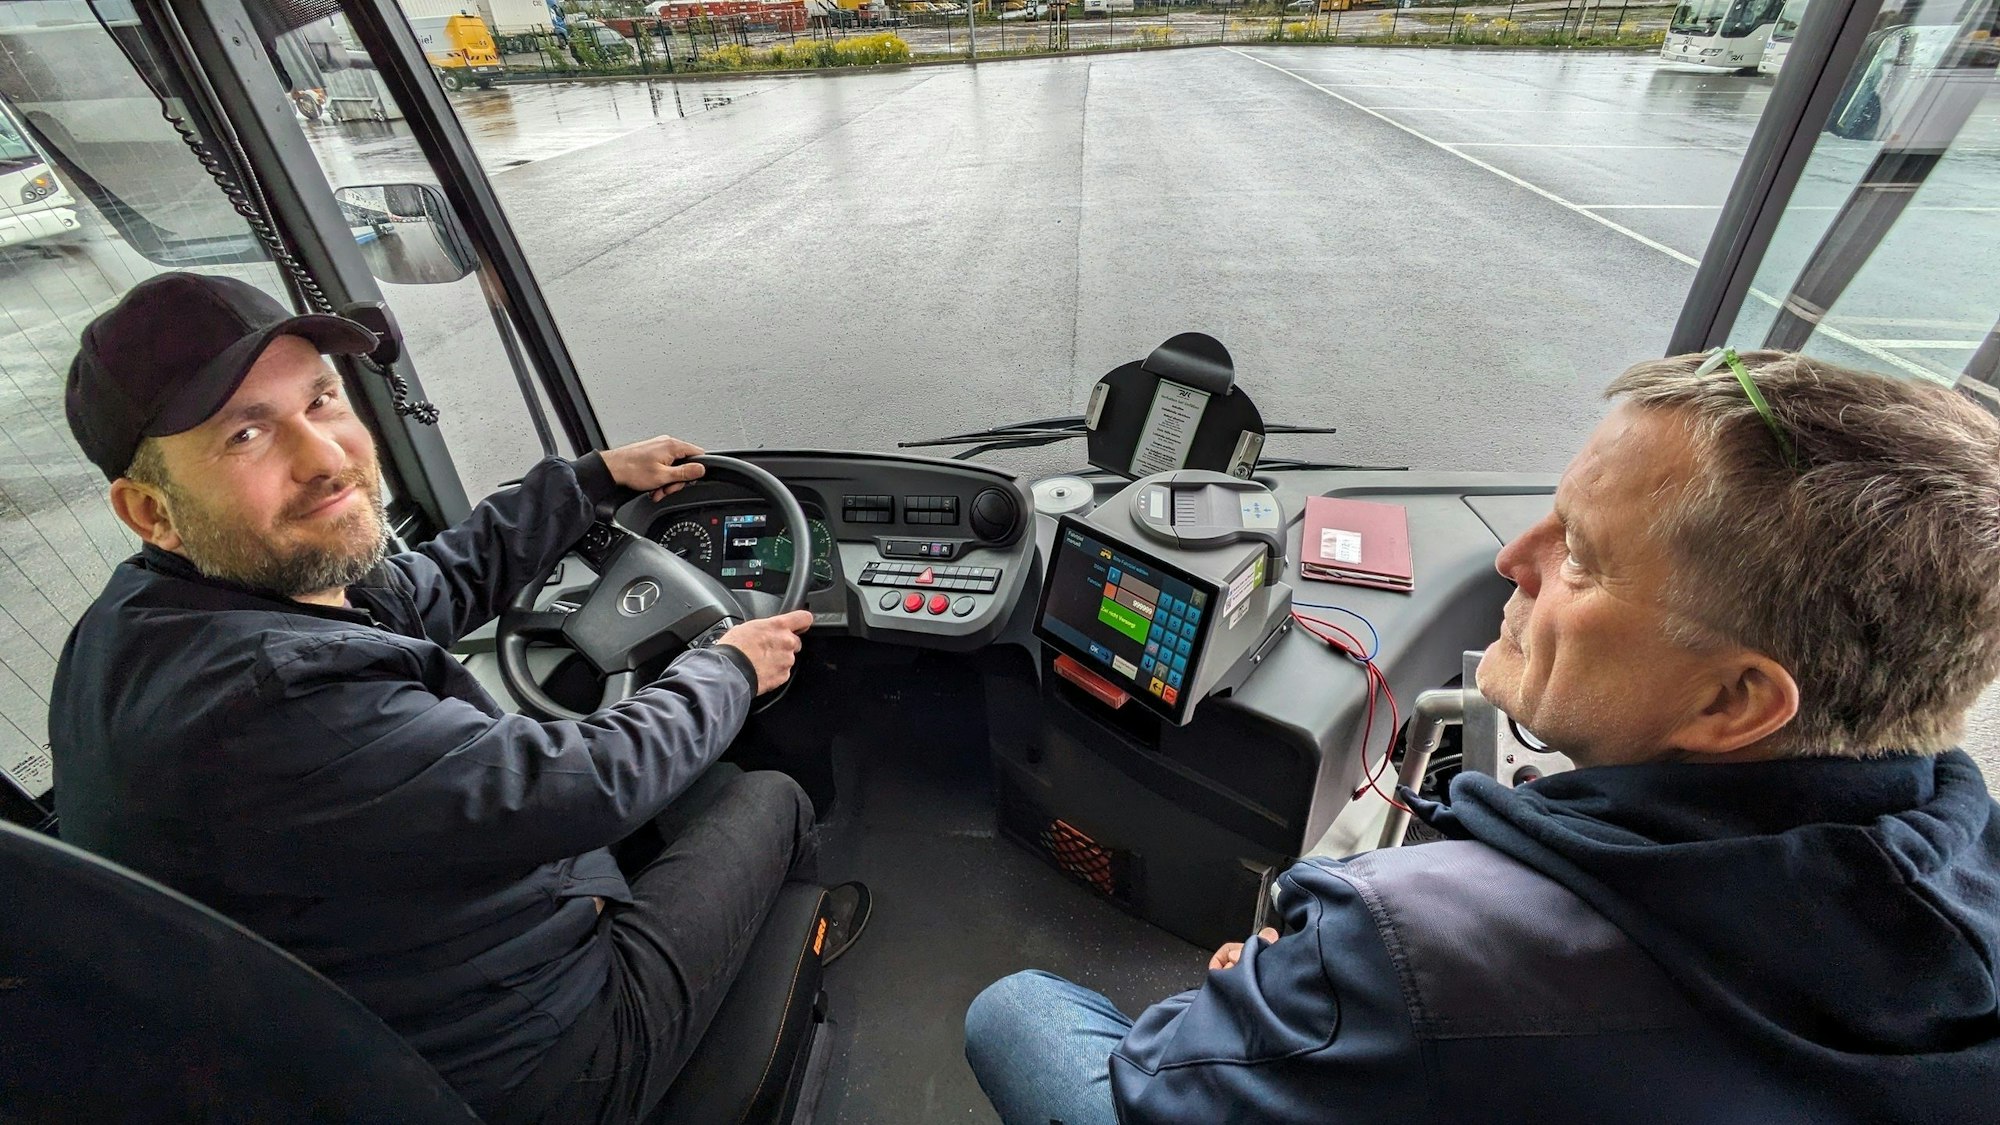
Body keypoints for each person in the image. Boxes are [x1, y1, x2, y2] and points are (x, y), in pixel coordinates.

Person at [964, 349, 2000, 1123]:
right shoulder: (1971, 874)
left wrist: (1262, 1003)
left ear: (1733, 703)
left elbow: (1167, 1097)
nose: (1513, 558)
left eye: (1581, 557)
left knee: (1012, 1008)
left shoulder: (1410, 949)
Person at [47, 272, 868, 1125]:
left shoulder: (148, 615)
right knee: (769, 797)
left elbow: (427, 586)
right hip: (537, 1064)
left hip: (379, 1002)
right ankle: (800, 945)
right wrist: (730, 665)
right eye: (246, 434)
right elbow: (591, 782)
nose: (325, 457)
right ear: (152, 510)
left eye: (322, 399)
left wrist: (589, 479)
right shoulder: (274, 702)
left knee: (695, 787)